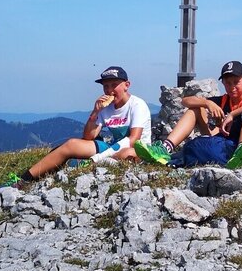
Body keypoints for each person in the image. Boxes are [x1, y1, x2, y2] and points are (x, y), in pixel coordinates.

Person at [12, 66, 150, 184]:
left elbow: (133, 140)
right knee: (71, 144)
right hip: (112, 148)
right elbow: (88, 137)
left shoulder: (137, 105)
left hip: (138, 149)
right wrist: (95, 112)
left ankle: (82, 163)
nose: (109, 90)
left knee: (127, 153)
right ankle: (22, 180)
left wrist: (99, 157)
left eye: (114, 85)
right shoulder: (105, 108)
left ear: (127, 85)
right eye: (106, 86)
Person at [135, 60, 242, 169]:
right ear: (223, 83)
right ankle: (165, 148)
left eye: (236, 82)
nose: (232, 86)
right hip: (226, 143)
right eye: (228, 83)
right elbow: (185, 101)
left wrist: (232, 114)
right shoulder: (222, 101)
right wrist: (207, 103)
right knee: (195, 109)